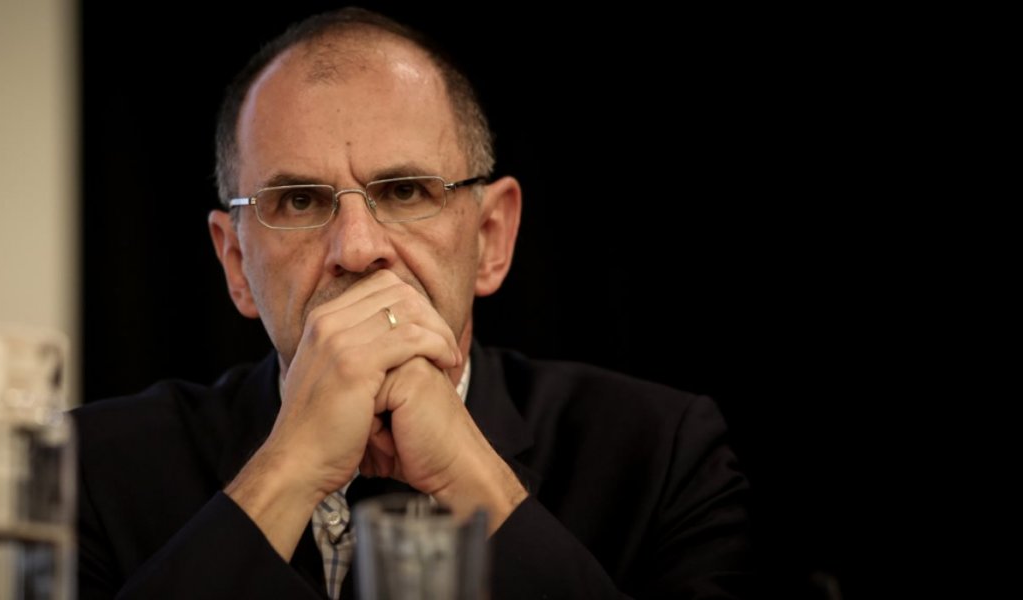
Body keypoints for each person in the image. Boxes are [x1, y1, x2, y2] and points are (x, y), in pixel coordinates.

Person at [73, 7, 755, 599]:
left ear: (491, 237)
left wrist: (471, 477)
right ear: (236, 264)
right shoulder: (90, 471)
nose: (357, 248)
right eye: (300, 201)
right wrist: (288, 469)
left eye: (404, 192)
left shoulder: (662, 456)